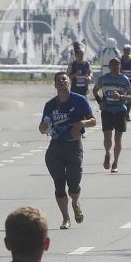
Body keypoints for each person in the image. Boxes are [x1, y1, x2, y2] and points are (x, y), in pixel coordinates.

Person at [39, 72, 94, 228]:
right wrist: (42, 128)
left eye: (64, 79)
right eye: (58, 80)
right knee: (59, 184)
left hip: (73, 146)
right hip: (55, 148)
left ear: (69, 82)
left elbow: (93, 121)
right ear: (55, 85)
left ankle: (75, 203)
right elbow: (43, 127)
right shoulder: (50, 105)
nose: (62, 81)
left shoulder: (79, 100)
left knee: (74, 185)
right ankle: (65, 218)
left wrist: (80, 124)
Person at [92, 57, 131, 172]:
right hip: (107, 111)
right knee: (107, 137)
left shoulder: (124, 79)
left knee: (118, 138)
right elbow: (95, 90)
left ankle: (115, 163)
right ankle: (107, 153)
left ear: (120, 67)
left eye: (117, 65)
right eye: (113, 65)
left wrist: (121, 97)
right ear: (109, 67)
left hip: (120, 110)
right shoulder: (103, 79)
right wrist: (100, 102)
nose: (115, 67)